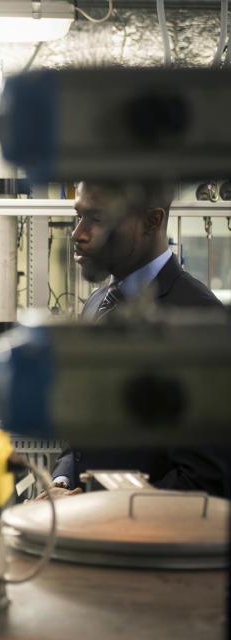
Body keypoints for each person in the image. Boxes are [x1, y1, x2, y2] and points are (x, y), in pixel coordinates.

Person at [48, 180, 226, 497]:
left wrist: (92, 509)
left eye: (99, 219)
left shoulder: (199, 321)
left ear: (151, 221)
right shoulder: (97, 303)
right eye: (80, 216)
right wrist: (62, 482)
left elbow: (205, 480)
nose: (79, 233)